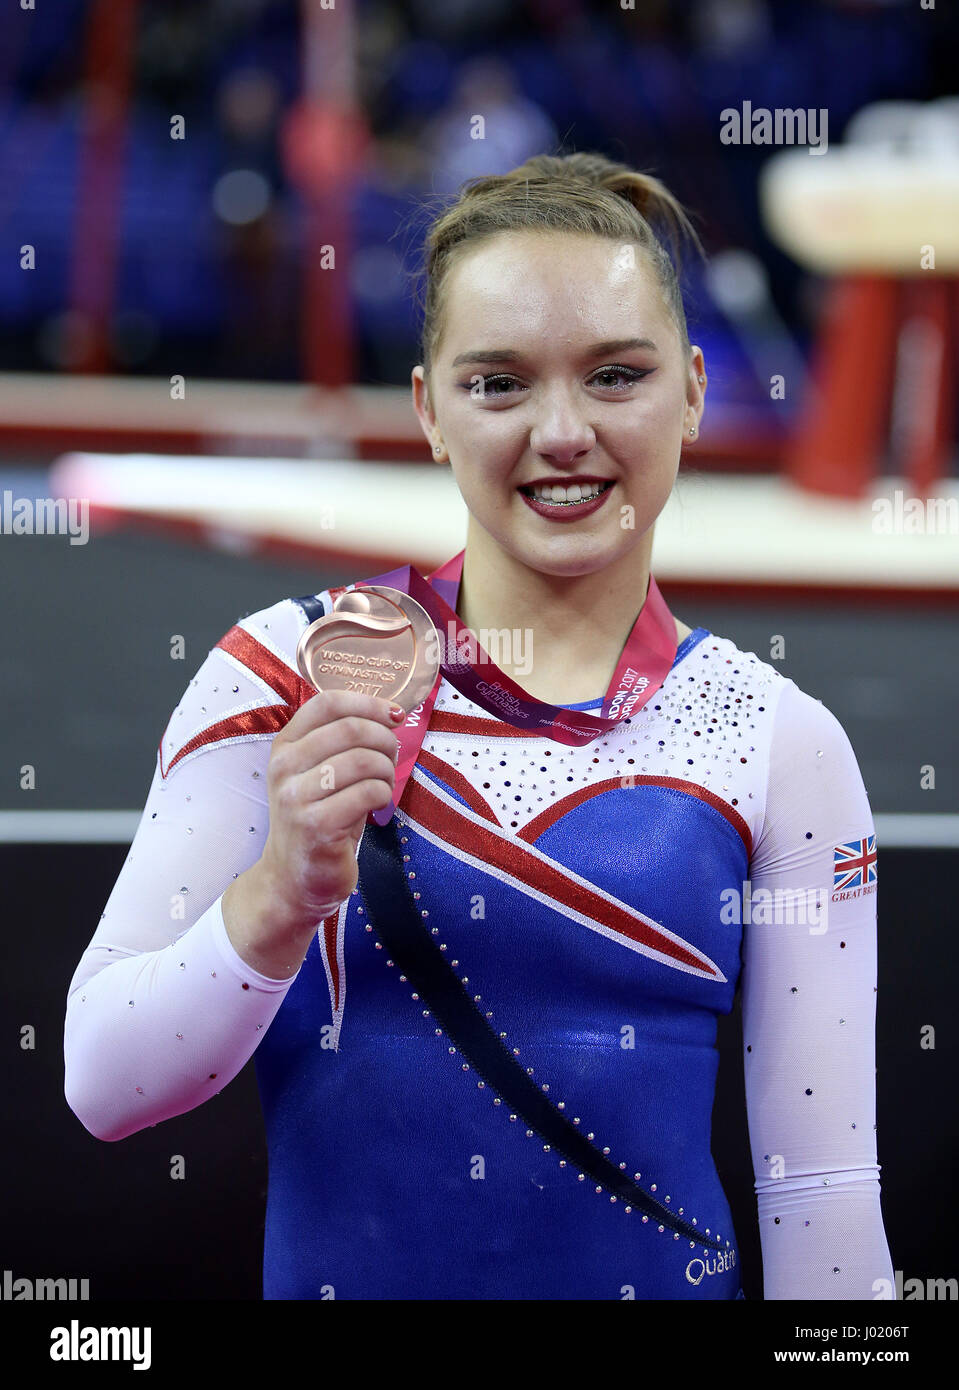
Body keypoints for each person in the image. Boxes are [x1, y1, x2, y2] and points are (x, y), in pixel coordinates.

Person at [64, 151, 894, 1300]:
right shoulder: (285, 677)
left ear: (695, 391)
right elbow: (105, 1085)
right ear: (429, 410)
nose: (561, 433)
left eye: (614, 376)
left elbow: (824, 1197)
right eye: (498, 384)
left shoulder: (776, 743)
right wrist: (272, 897)